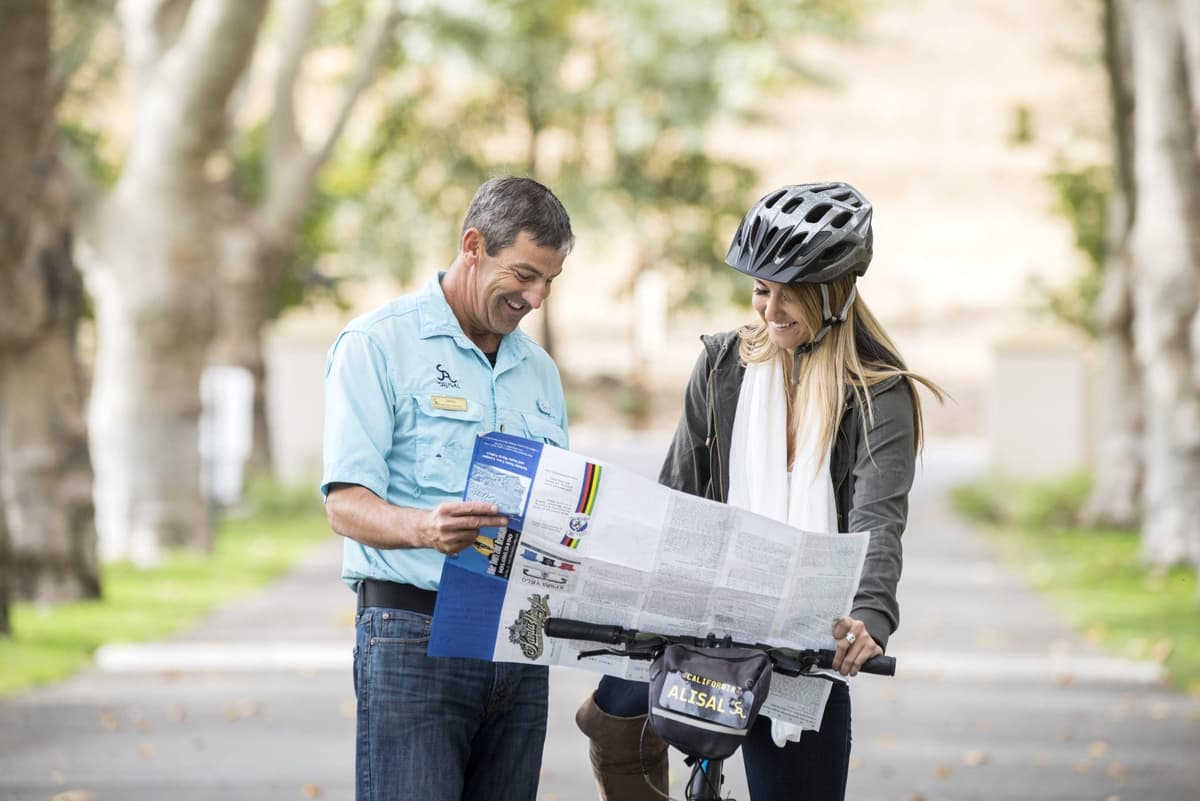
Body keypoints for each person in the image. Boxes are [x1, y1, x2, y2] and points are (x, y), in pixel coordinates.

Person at [574, 181, 942, 801]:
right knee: (616, 717)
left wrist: (871, 615)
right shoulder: (723, 366)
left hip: (799, 635)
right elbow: (678, 495)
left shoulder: (878, 394)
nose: (769, 313)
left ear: (837, 294)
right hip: (705, 613)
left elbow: (878, 522)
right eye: (761, 290)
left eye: (790, 296)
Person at [321, 176, 575, 801]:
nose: (535, 297)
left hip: (519, 641)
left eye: (548, 282)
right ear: (472, 246)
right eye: (522, 274)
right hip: (413, 639)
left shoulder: (539, 371)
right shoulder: (376, 345)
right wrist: (424, 529)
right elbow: (344, 505)